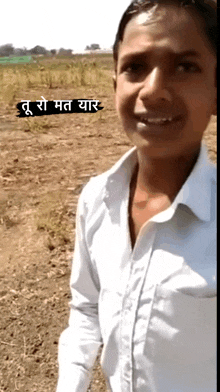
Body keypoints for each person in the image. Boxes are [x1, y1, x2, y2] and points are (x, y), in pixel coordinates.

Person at [56, 0, 217, 391]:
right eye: (135, 67)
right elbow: (88, 308)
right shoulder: (97, 200)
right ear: (115, 85)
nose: (155, 89)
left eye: (184, 66)